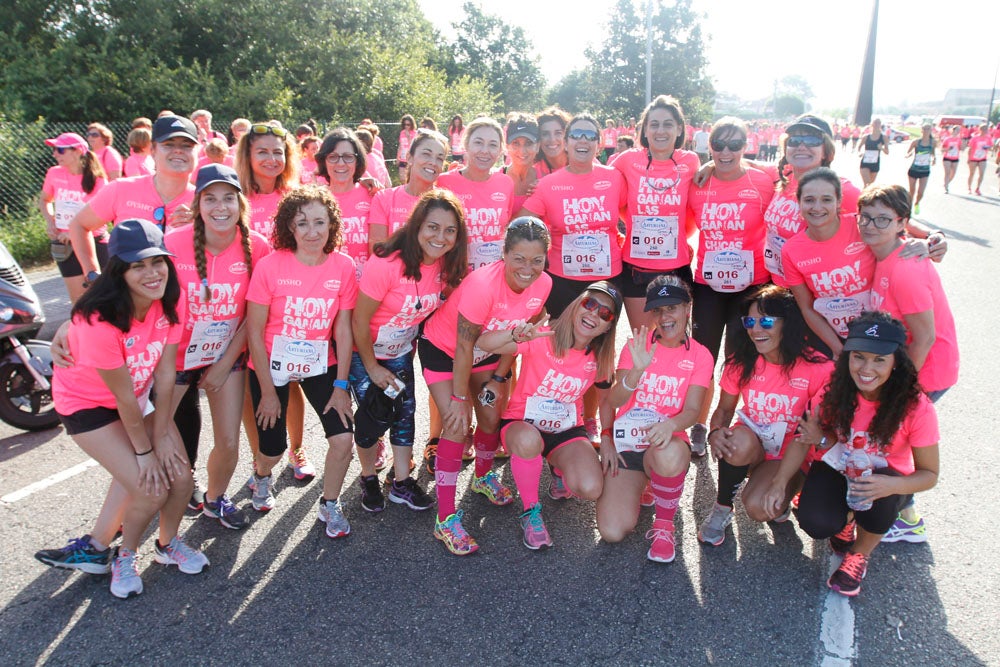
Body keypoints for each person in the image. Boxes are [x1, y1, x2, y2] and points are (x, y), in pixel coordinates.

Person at [37, 219, 208, 598]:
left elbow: (166, 375)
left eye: (157, 261)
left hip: (140, 396)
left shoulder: (171, 299)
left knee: (181, 480)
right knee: (150, 489)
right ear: (119, 271)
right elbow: (123, 399)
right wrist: (146, 453)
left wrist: (163, 433)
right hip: (88, 406)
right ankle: (123, 555)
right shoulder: (98, 321)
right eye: (137, 266)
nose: (152, 273)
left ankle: (167, 545)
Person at [770, 312, 940, 597]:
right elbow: (805, 438)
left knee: (879, 504)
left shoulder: (916, 407)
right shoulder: (833, 390)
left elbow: (930, 475)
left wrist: (893, 485)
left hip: (883, 479)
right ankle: (845, 522)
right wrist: (779, 482)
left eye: (879, 360)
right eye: (858, 356)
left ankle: (859, 554)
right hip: (838, 464)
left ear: (896, 362)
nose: (866, 368)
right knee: (816, 522)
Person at [420, 216, 552, 554]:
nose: (528, 268)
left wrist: (498, 377)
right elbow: (464, 345)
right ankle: (445, 518)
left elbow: (523, 333)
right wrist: (460, 397)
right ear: (504, 254)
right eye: (519, 259)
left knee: (492, 416)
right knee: (455, 423)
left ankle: (481, 476)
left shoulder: (543, 285)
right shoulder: (483, 284)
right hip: (445, 350)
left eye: (537, 260)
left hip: (489, 350)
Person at [244, 186, 358, 540]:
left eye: (320, 222)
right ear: (289, 228)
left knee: (343, 440)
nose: (312, 232)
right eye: (302, 223)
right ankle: (262, 476)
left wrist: (341, 386)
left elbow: (343, 329)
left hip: (321, 364)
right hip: (270, 366)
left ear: (331, 224)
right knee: (273, 450)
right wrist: (266, 391)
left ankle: (329, 503)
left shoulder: (343, 266)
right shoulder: (270, 266)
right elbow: (254, 330)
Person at [165, 165, 272, 529]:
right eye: (210, 199)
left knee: (229, 442)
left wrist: (225, 362)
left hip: (229, 356)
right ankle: (133, 515)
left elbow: (256, 316)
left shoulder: (257, 246)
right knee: (151, 440)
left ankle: (215, 499)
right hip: (175, 358)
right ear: (197, 204)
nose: (220, 207)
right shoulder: (172, 242)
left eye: (228, 197)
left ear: (240, 202)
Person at [476, 281, 621, 550]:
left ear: (608, 327)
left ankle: (558, 468)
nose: (594, 314)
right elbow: (484, 342)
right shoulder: (544, 336)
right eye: (590, 304)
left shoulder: (600, 357)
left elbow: (606, 400)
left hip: (565, 430)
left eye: (605, 314)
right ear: (577, 304)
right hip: (522, 424)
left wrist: (607, 436)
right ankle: (531, 512)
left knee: (590, 488)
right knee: (529, 442)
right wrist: (516, 334)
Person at [351, 189, 467, 519]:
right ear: (416, 225)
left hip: (400, 350)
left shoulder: (445, 265)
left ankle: (402, 482)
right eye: (432, 227)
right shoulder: (386, 264)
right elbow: (359, 320)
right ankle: (368, 478)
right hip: (366, 351)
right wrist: (371, 367)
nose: (440, 237)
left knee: (404, 411)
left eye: (449, 230)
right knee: (375, 416)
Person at [858, 184, 958, 543]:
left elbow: (926, 336)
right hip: (910, 365)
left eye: (883, 219)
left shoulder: (906, 268)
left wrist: (900, 388)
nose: (871, 225)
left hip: (926, 370)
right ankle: (905, 513)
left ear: (901, 222)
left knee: (898, 444)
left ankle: (906, 518)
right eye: (866, 217)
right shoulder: (888, 254)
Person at [519, 112, 626, 447]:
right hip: (562, 280)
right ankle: (551, 415)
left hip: (606, 280)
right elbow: (523, 223)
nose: (583, 141)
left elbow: (636, 213)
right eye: (576, 135)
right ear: (565, 142)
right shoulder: (550, 184)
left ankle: (588, 420)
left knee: (596, 351)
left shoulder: (615, 178)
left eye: (590, 135)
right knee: (560, 349)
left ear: (599, 142)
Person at [698, 285, 833, 546]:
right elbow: (725, 409)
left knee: (759, 509)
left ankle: (786, 490)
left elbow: (808, 435)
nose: (755, 329)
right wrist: (715, 432)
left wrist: (780, 483)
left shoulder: (819, 368)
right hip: (752, 445)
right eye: (750, 321)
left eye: (766, 321)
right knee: (734, 440)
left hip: (792, 453)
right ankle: (722, 507)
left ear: (788, 323)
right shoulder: (741, 361)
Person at [597, 277, 712, 562]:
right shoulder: (637, 345)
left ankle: (663, 526)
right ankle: (646, 484)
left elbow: (692, 410)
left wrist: (670, 425)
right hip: (629, 445)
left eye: (672, 308)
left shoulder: (701, 355)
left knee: (668, 453)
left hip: (665, 443)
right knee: (612, 531)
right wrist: (635, 372)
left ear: (687, 308)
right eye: (658, 310)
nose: (664, 317)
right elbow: (613, 401)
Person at [782, 168, 945, 357]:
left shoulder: (863, 225)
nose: (817, 207)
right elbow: (807, 308)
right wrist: (838, 349)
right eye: (809, 200)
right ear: (799, 202)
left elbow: (893, 222)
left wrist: (931, 238)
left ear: (839, 202)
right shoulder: (791, 250)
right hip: (836, 337)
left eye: (827, 199)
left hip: (880, 337)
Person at [687, 117, 776, 453]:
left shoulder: (763, 182)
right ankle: (697, 423)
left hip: (750, 285)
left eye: (734, 144)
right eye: (718, 145)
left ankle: (725, 423)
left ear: (746, 145)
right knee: (704, 359)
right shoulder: (698, 183)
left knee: (738, 360)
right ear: (709, 146)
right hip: (709, 285)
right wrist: (709, 165)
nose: (726, 151)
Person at [234, 122, 313, 482]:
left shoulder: (296, 195)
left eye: (277, 152)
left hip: (287, 309)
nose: (270, 158)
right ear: (247, 156)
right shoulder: (233, 198)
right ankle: (261, 454)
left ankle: (296, 449)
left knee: (291, 382)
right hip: (240, 308)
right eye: (261, 151)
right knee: (254, 390)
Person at [69, 115, 198, 284]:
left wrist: (200, 225)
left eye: (187, 146)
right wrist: (92, 273)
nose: (179, 150)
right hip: (131, 302)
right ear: (152, 150)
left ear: (198, 151)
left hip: (186, 301)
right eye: (169, 144)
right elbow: (79, 225)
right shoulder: (121, 189)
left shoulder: (207, 201)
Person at [612, 95, 700, 329]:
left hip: (676, 268)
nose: (661, 131)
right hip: (636, 271)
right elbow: (597, 181)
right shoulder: (628, 160)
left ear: (679, 129)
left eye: (668, 124)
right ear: (645, 130)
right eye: (654, 124)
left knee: (675, 342)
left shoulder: (691, 161)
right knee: (643, 342)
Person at [39, 132, 108, 304]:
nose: (55, 154)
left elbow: (104, 214)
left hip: (94, 243)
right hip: (65, 246)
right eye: (54, 150)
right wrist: (50, 221)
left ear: (77, 151)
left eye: (60, 150)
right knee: (80, 302)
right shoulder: (54, 173)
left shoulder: (98, 179)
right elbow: (45, 199)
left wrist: (76, 232)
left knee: (104, 296)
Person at [437, 116, 514, 271]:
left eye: (493, 145)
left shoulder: (506, 183)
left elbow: (506, 227)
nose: (485, 151)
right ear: (466, 144)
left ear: (500, 151)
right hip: (454, 275)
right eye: (478, 142)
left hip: (493, 274)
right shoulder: (444, 182)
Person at [369, 129, 448, 248]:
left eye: (439, 158)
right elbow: (378, 251)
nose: (433, 162)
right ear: (409, 158)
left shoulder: (446, 204)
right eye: (426, 154)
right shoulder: (384, 198)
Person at [502, 114, 540, 213]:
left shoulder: (545, 180)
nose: (522, 151)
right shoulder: (495, 178)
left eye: (528, 143)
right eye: (516, 143)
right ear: (507, 146)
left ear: (538, 146)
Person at [905, 124, 936, 214]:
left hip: (925, 170)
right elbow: (908, 152)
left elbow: (933, 153)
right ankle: (909, 207)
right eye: (925, 129)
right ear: (921, 130)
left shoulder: (932, 142)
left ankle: (917, 203)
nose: (926, 131)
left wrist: (934, 159)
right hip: (914, 169)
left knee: (921, 192)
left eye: (928, 129)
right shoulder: (916, 142)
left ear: (931, 130)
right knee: (912, 190)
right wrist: (908, 154)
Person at [534, 106, 570, 177]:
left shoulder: (584, 164)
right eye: (545, 134)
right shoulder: (533, 174)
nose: (552, 139)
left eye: (558, 133)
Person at [858, 119, 889, 186]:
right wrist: (860, 152)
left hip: (875, 162)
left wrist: (882, 148)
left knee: (870, 185)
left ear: (880, 125)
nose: (876, 125)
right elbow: (859, 147)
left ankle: (865, 195)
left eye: (878, 123)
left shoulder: (884, 137)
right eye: (875, 123)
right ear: (871, 125)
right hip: (865, 161)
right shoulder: (866, 137)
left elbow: (887, 152)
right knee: (867, 184)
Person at [967, 124, 991, 195]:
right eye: (984, 129)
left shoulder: (988, 138)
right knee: (972, 173)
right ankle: (969, 188)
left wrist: (987, 147)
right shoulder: (975, 138)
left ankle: (978, 188)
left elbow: (990, 146)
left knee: (982, 173)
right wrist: (969, 158)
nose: (986, 131)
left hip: (983, 158)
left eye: (986, 130)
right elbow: (970, 148)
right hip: (974, 158)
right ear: (980, 130)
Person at [940, 125, 961, 193]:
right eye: (957, 130)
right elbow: (942, 149)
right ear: (953, 130)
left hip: (955, 157)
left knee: (953, 173)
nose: (958, 132)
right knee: (947, 173)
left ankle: (946, 183)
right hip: (947, 157)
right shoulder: (947, 139)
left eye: (959, 130)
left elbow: (962, 148)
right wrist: (948, 149)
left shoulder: (959, 139)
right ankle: (946, 187)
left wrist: (964, 142)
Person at [397, 114, 417, 180]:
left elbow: (413, 145)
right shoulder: (402, 132)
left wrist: (408, 137)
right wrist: (398, 157)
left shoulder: (415, 133)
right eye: (404, 124)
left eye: (408, 124)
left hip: (411, 158)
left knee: (410, 178)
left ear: (412, 124)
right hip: (402, 157)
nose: (406, 126)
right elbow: (400, 145)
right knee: (402, 178)